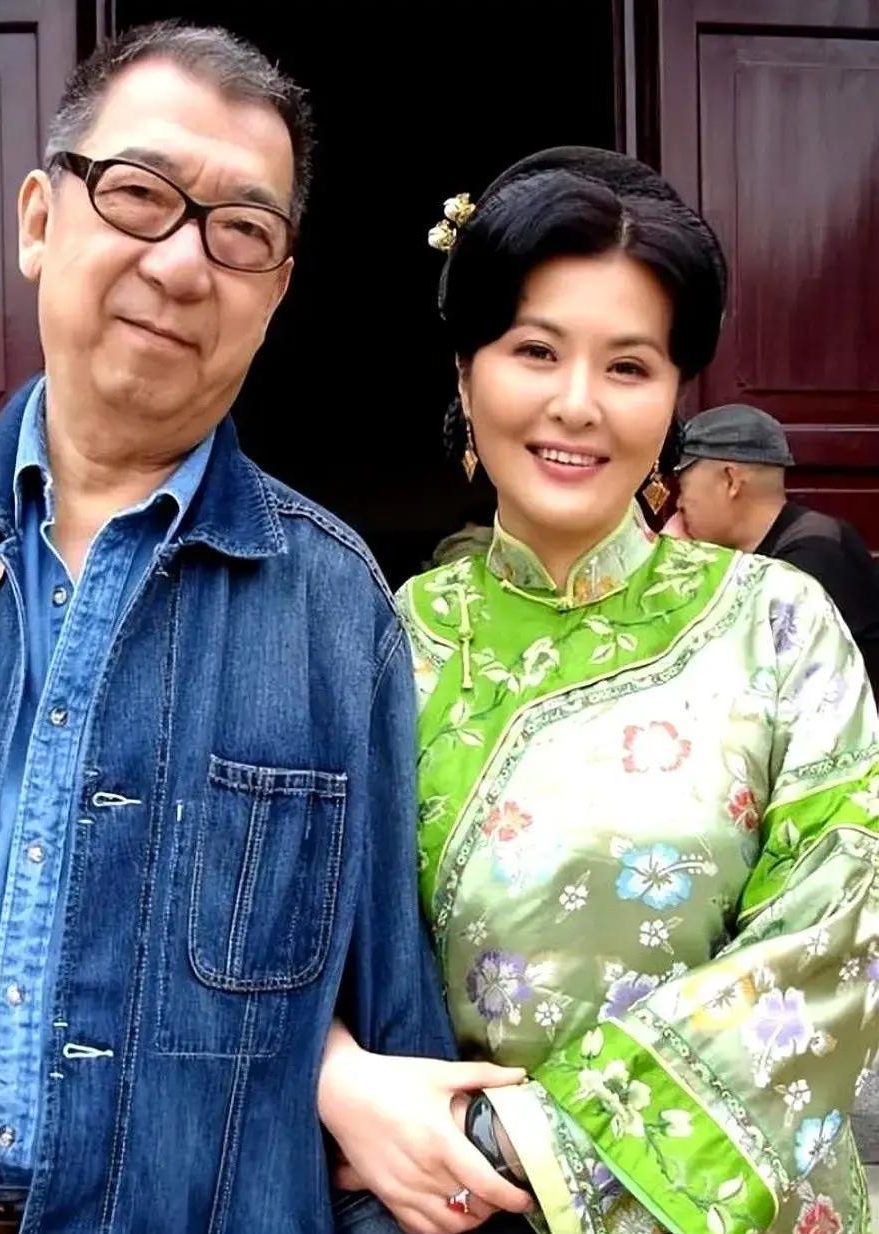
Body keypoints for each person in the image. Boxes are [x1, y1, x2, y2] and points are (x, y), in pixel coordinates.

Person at [0, 22, 533, 1233]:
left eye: (241, 229)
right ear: (40, 219)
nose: (184, 264)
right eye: (138, 194)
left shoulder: (332, 609)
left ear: (277, 289)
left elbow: (392, 1048)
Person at [318, 148, 879, 1234]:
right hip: (438, 1206)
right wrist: (336, 1072)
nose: (576, 405)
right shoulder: (383, 638)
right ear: (466, 373)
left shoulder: (776, 624)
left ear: (673, 399)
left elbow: (842, 921)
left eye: (629, 366)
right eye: (535, 351)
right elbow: (282, 926)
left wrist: (526, 1141)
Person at [673, 403, 879, 689]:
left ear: (730, 481)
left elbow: (734, 680)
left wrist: (677, 570)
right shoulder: (763, 552)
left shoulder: (811, 560)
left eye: (683, 487)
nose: (679, 503)